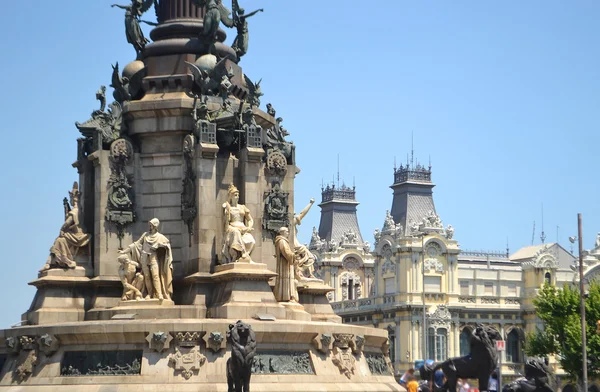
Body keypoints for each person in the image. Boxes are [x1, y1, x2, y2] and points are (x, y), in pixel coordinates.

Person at [119, 218, 173, 300]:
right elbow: (135, 244)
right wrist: (124, 252)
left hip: (153, 257)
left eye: (151, 225)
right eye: (149, 225)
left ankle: (159, 294)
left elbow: (167, 245)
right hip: (144, 257)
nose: (149, 226)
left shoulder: (160, 237)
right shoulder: (145, 235)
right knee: (147, 276)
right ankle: (150, 293)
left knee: (155, 275)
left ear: (155, 226)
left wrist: (159, 245)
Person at [222, 184, 255, 263]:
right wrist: (226, 212)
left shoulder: (242, 207)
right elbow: (226, 222)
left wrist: (249, 227)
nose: (237, 196)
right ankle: (243, 254)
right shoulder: (228, 207)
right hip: (232, 227)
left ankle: (245, 257)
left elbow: (250, 220)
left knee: (252, 240)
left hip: (243, 227)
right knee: (236, 233)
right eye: (235, 195)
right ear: (231, 196)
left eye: (238, 195)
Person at [273, 227, 298, 303]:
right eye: (287, 231)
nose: (288, 233)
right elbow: (286, 253)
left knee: (285, 280)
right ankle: (285, 296)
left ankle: (284, 296)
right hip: (285, 265)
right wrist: (294, 256)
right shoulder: (282, 241)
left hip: (285, 264)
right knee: (285, 280)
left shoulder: (282, 241)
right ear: (282, 232)